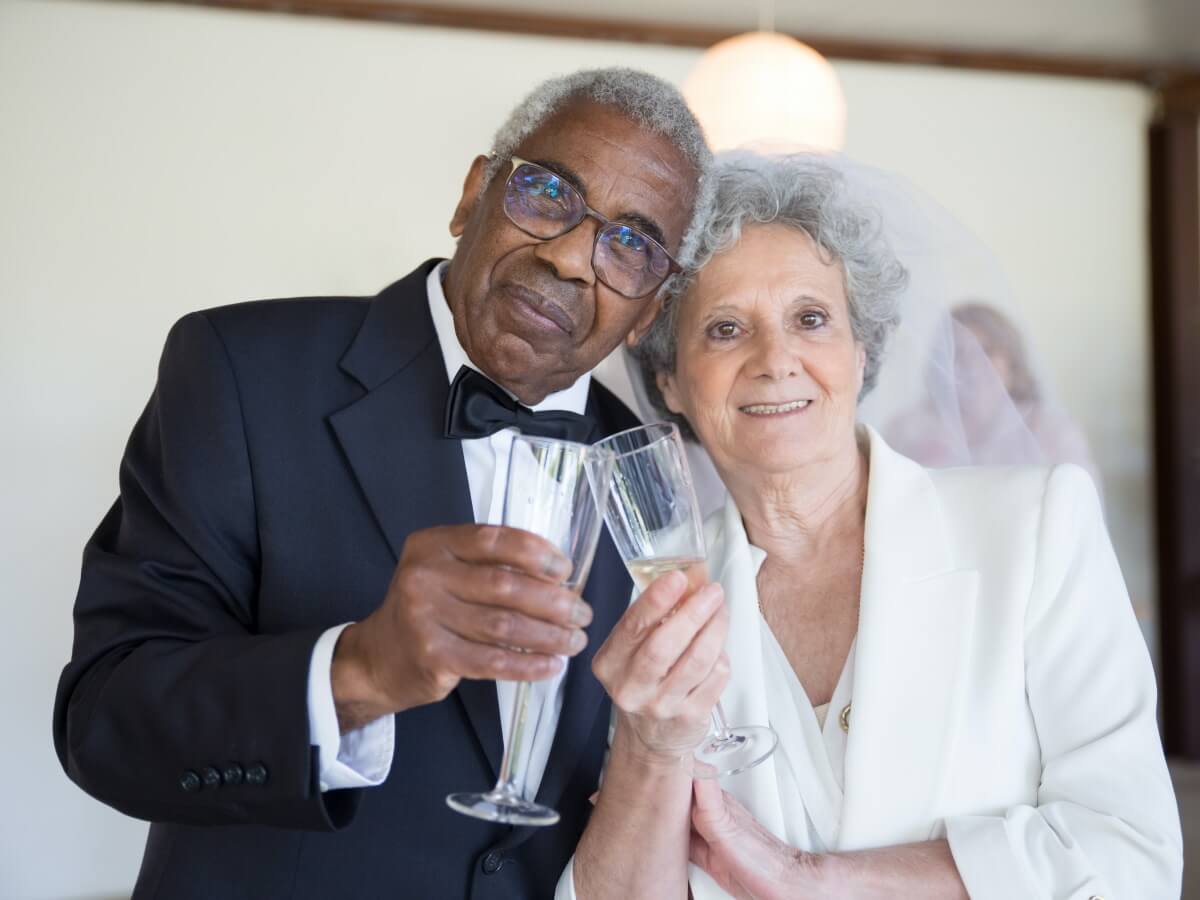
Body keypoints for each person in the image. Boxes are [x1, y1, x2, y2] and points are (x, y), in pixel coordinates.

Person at [53, 68, 715, 900]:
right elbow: (105, 725)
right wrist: (359, 669)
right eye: (548, 194)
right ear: (474, 194)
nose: (570, 259)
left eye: (631, 244)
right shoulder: (240, 370)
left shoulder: (652, 468)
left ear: (649, 310)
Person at [560, 153, 1182, 899]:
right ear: (669, 381)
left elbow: (1132, 857)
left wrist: (812, 880)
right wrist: (651, 746)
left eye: (811, 319)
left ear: (862, 351)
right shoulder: (640, 602)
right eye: (726, 329)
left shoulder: (1037, 527)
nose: (775, 359)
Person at [885, 300, 1102, 488]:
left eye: (986, 350)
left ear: (1012, 361)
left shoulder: (1052, 430)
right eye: (958, 353)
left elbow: (1081, 510)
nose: (972, 363)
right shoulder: (906, 429)